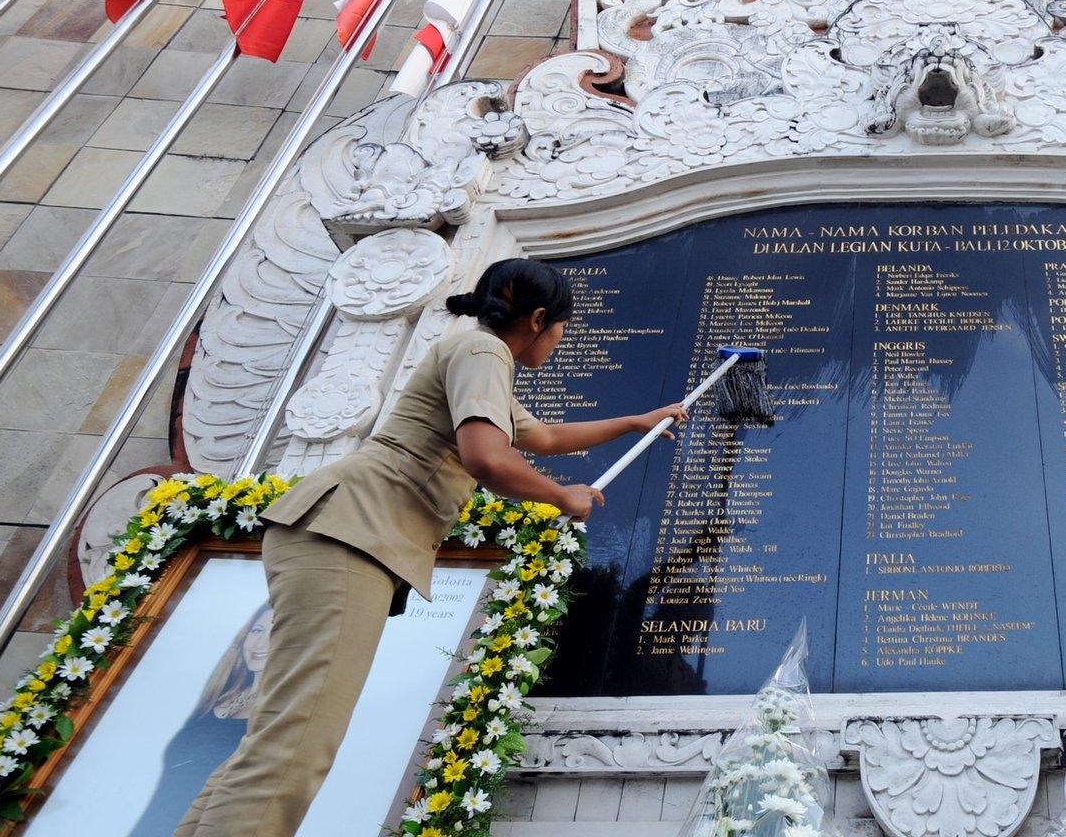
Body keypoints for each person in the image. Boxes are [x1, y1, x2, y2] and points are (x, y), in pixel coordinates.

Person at [175, 257, 687, 836]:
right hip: (351, 533)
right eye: (564, 326)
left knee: (282, 738)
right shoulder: (483, 353)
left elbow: (539, 437)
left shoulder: (476, 356)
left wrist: (635, 423)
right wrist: (558, 497)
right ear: (539, 317)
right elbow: (487, 458)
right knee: (297, 746)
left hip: (340, 531)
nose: (562, 340)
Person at [126, 605, 271, 837]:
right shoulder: (217, 697)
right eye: (257, 630)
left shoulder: (276, 716)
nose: (261, 643)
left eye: (275, 632)